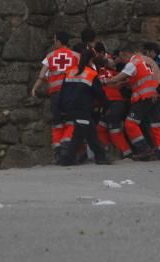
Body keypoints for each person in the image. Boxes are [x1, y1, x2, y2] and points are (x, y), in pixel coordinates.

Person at [103, 45, 160, 162]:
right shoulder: (146, 62)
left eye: (122, 57)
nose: (123, 61)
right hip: (156, 95)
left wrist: (105, 81)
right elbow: (132, 80)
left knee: (130, 123)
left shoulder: (133, 63)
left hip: (144, 97)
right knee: (156, 125)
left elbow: (119, 77)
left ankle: (144, 150)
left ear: (126, 54)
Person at [30, 31, 79, 164]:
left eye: (54, 40)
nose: (54, 42)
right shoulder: (76, 56)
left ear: (58, 41)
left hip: (55, 94)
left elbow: (42, 75)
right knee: (71, 122)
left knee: (57, 123)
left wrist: (35, 88)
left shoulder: (50, 56)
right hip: (71, 94)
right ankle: (66, 148)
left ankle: (58, 152)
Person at [57, 48, 110, 166]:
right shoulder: (91, 73)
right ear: (91, 60)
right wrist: (107, 105)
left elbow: (63, 90)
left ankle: (97, 156)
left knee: (85, 132)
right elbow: (99, 93)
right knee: (84, 134)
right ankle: (68, 159)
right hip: (82, 107)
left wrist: (61, 108)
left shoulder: (70, 71)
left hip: (69, 107)